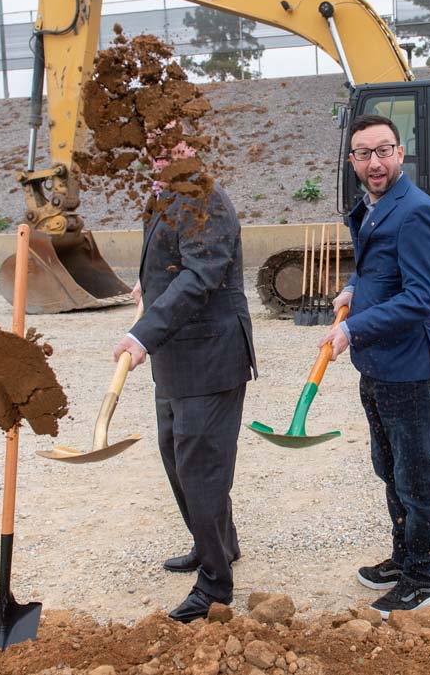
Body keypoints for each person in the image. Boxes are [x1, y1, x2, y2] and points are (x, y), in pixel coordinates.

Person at [113, 140, 257, 623]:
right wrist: (148, 285)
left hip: (210, 355)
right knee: (177, 456)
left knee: (202, 470)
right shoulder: (166, 195)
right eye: (153, 149)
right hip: (178, 358)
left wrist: (143, 333)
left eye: (172, 146)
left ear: (194, 147)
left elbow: (201, 276)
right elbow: (176, 262)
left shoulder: (205, 198)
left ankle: (215, 585)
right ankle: (216, 543)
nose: (160, 156)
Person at [318, 113, 430, 619]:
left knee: (415, 476)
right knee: (389, 469)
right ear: (352, 161)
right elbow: (379, 268)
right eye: (364, 154)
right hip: (378, 367)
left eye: (384, 151)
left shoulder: (415, 210)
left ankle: (421, 578)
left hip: (409, 368)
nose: (375, 162)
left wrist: (354, 329)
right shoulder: (374, 207)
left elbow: (420, 298)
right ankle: (403, 557)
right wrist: (355, 289)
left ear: (401, 152)